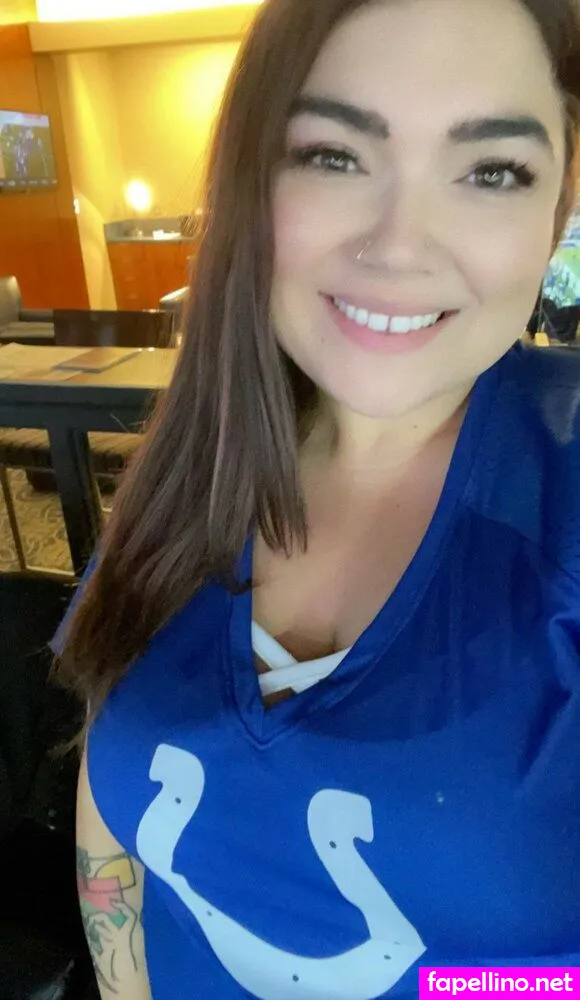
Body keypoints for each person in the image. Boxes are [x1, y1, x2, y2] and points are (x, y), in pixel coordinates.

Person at [52, 0, 580, 996]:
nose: (400, 245)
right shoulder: (202, 462)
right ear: (250, 182)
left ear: (558, 204)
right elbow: (111, 802)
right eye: (333, 156)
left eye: (491, 171)